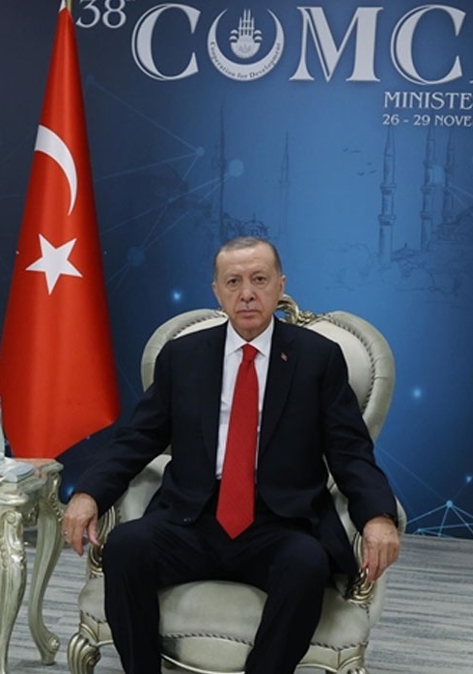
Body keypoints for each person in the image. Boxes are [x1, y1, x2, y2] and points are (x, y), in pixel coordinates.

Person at [61, 236, 401, 674]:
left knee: (306, 564)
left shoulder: (318, 358)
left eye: (259, 279)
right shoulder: (182, 356)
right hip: (192, 518)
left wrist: (377, 516)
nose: (247, 294)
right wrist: (88, 493)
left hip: (280, 522)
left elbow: (350, 451)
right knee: (126, 548)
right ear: (217, 291)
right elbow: (137, 437)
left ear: (280, 286)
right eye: (233, 282)